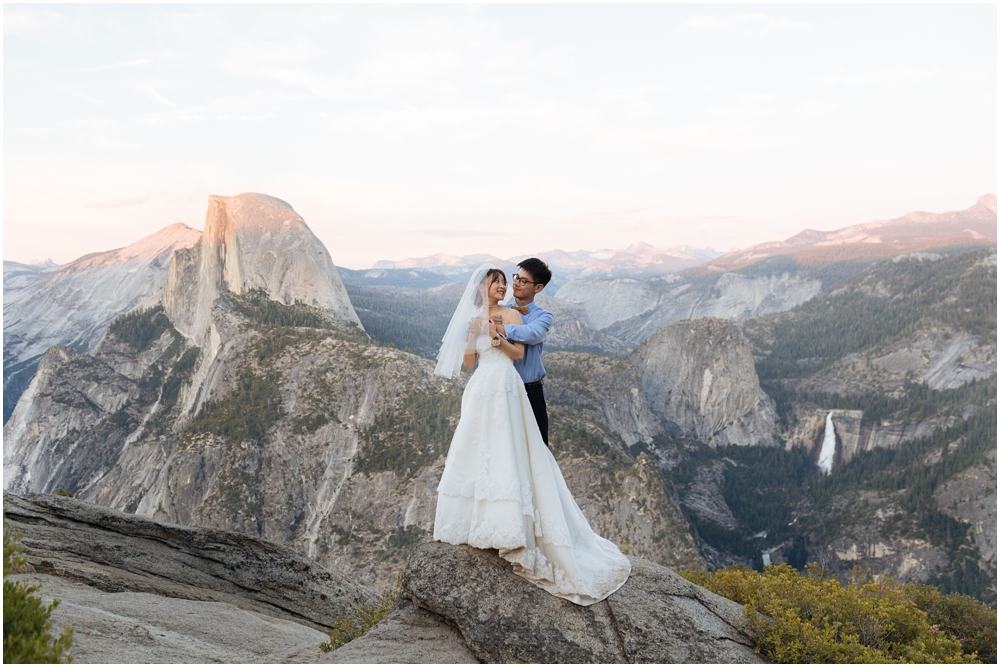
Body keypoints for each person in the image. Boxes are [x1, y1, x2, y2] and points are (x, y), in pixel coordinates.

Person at [432, 265, 631, 606]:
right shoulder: (479, 315)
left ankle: (530, 529)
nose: (511, 285)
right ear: (482, 287)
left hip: (518, 391)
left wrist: (494, 329)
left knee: (528, 460)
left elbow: (523, 346)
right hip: (482, 390)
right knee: (481, 453)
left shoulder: (530, 315)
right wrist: (472, 334)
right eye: (506, 280)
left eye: (516, 280)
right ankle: (479, 522)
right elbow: (468, 363)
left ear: (536, 287)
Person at [491, 258, 554, 446]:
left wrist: (500, 328)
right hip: (502, 389)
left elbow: (532, 334)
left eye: (524, 281)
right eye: (517, 277)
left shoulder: (543, 316)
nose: (516, 283)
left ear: (538, 288)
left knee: (537, 448)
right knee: (505, 448)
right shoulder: (500, 310)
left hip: (531, 391)